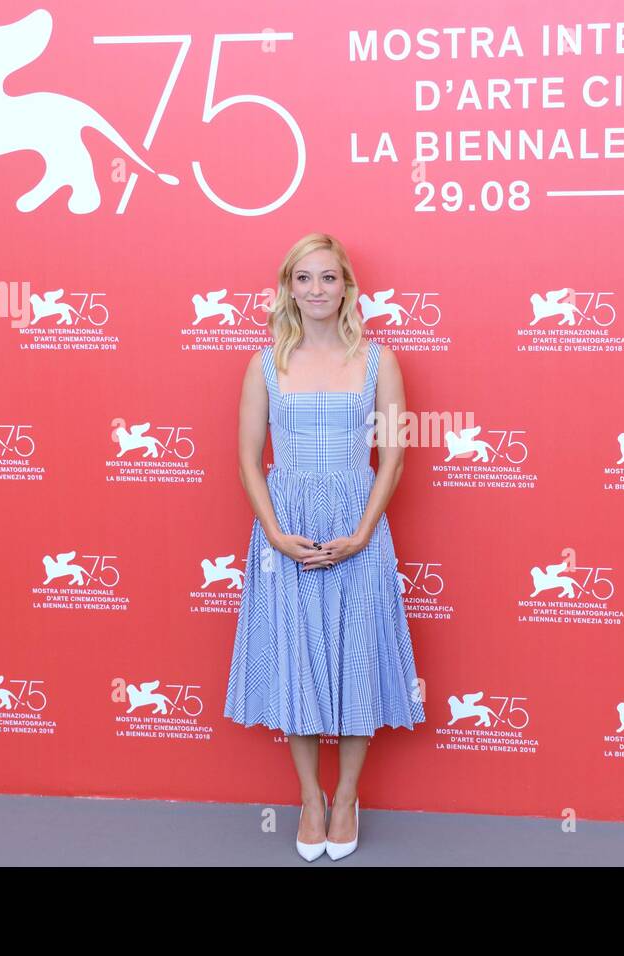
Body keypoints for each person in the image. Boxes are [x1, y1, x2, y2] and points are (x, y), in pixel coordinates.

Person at [223, 232, 425, 861]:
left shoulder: (378, 361)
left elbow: (391, 457)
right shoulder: (262, 363)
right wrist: (275, 534)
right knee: (299, 663)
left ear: (347, 288)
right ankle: (310, 798)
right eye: (303, 278)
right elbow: (249, 461)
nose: (316, 290)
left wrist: (364, 532)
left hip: (357, 527)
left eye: (328, 278)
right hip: (286, 532)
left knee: (357, 659)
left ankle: (346, 799)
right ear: (288, 288)